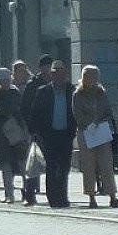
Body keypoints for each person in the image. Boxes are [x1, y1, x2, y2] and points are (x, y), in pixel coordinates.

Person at [28, 60, 77, 209]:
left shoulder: (72, 90)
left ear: (65, 74)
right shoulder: (43, 91)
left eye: (61, 73)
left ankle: (63, 196)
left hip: (66, 134)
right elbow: (35, 114)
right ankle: (53, 197)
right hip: (49, 136)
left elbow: (76, 112)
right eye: (55, 73)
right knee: (51, 166)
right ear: (51, 75)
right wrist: (35, 133)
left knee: (64, 167)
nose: (58, 76)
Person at [73, 65, 118, 209]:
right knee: (88, 166)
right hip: (85, 132)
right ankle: (91, 197)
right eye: (88, 76)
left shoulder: (101, 93)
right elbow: (77, 114)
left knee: (106, 165)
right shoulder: (78, 94)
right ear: (83, 78)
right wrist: (88, 124)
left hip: (101, 132)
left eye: (94, 76)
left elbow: (108, 111)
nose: (91, 79)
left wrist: (101, 122)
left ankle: (112, 196)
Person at [0, 67, 28, 204]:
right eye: (2, 80)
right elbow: (0, 111)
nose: (4, 82)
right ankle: (9, 194)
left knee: (22, 162)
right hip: (2, 133)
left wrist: (22, 129)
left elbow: (18, 111)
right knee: (6, 164)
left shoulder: (14, 93)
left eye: (6, 80)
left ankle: (26, 191)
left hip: (15, 131)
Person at [19, 55, 53, 206]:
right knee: (33, 163)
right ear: (41, 68)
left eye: (50, 65)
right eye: (46, 65)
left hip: (54, 130)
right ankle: (30, 193)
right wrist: (30, 127)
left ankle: (53, 193)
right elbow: (25, 108)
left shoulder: (56, 83)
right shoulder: (33, 85)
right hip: (37, 130)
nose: (48, 68)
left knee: (52, 163)